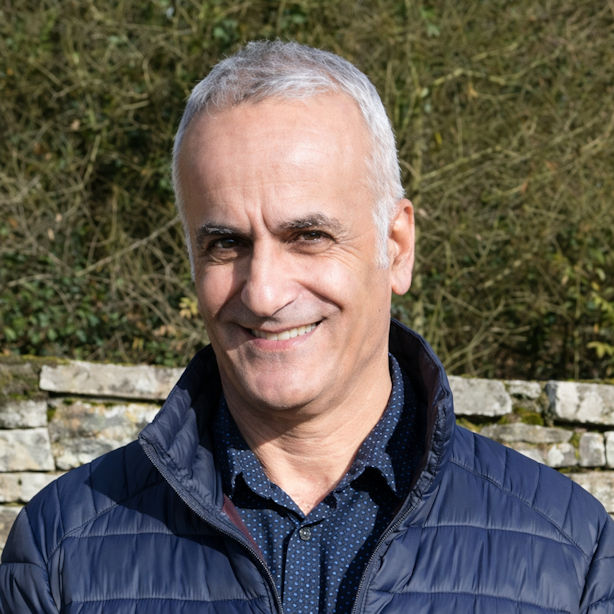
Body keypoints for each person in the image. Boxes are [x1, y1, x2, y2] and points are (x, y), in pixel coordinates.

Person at [1, 40, 613, 614]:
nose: (264, 293)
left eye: (308, 236)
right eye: (225, 244)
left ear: (397, 247)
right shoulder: (60, 555)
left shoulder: (573, 557)